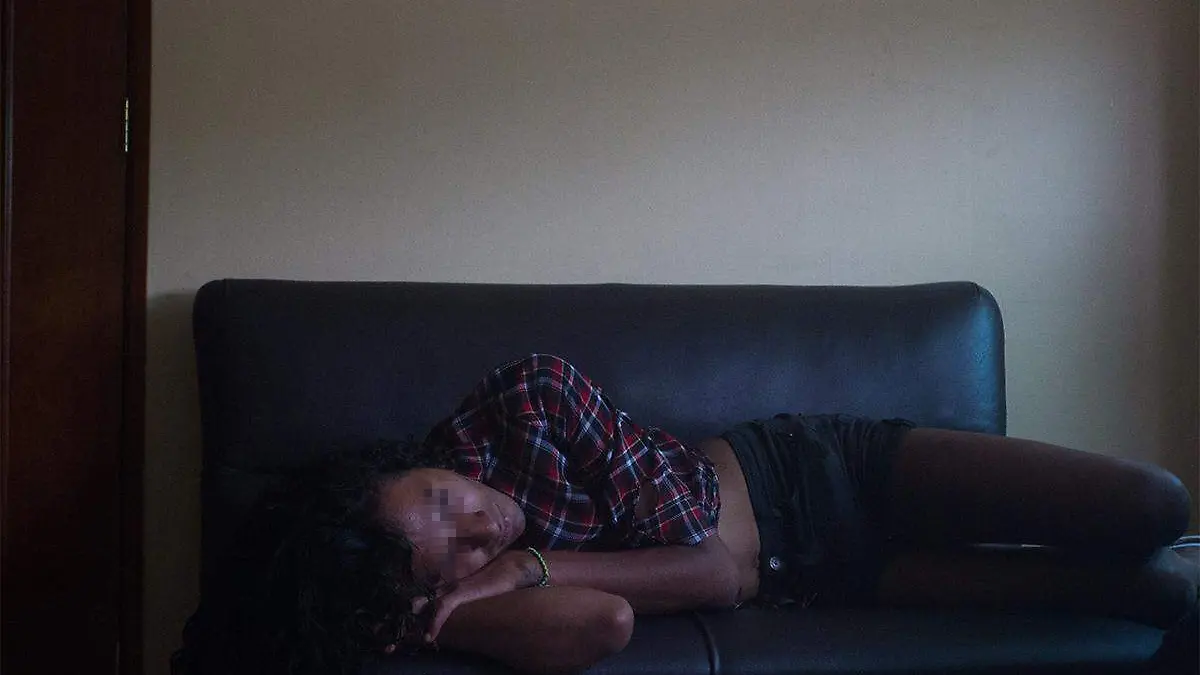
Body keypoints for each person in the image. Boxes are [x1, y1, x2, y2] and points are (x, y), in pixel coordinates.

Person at [175, 353, 1199, 675]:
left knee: (1154, 507)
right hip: (823, 585)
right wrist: (429, 613)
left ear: (417, 461)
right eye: (451, 555)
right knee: (1150, 600)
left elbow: (707, 564)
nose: (483, 528)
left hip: (823, 472)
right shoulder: (453, 578)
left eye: (448, 502)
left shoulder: (530, 397)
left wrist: (526, 567)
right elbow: (607, 621)